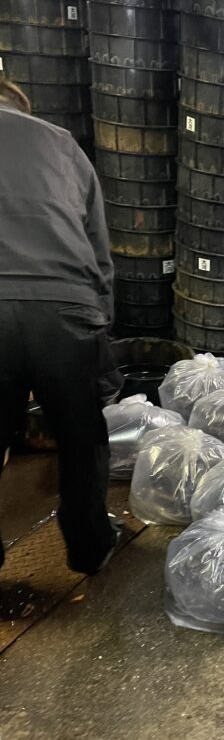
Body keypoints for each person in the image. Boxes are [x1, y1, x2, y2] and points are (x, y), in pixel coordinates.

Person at [0, 77, 120, 576]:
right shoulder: (62, 144)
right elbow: (97, 246)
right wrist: (99, 323)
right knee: (80, 435)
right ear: (23, 108)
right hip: (67, 306)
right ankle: (90, 548)